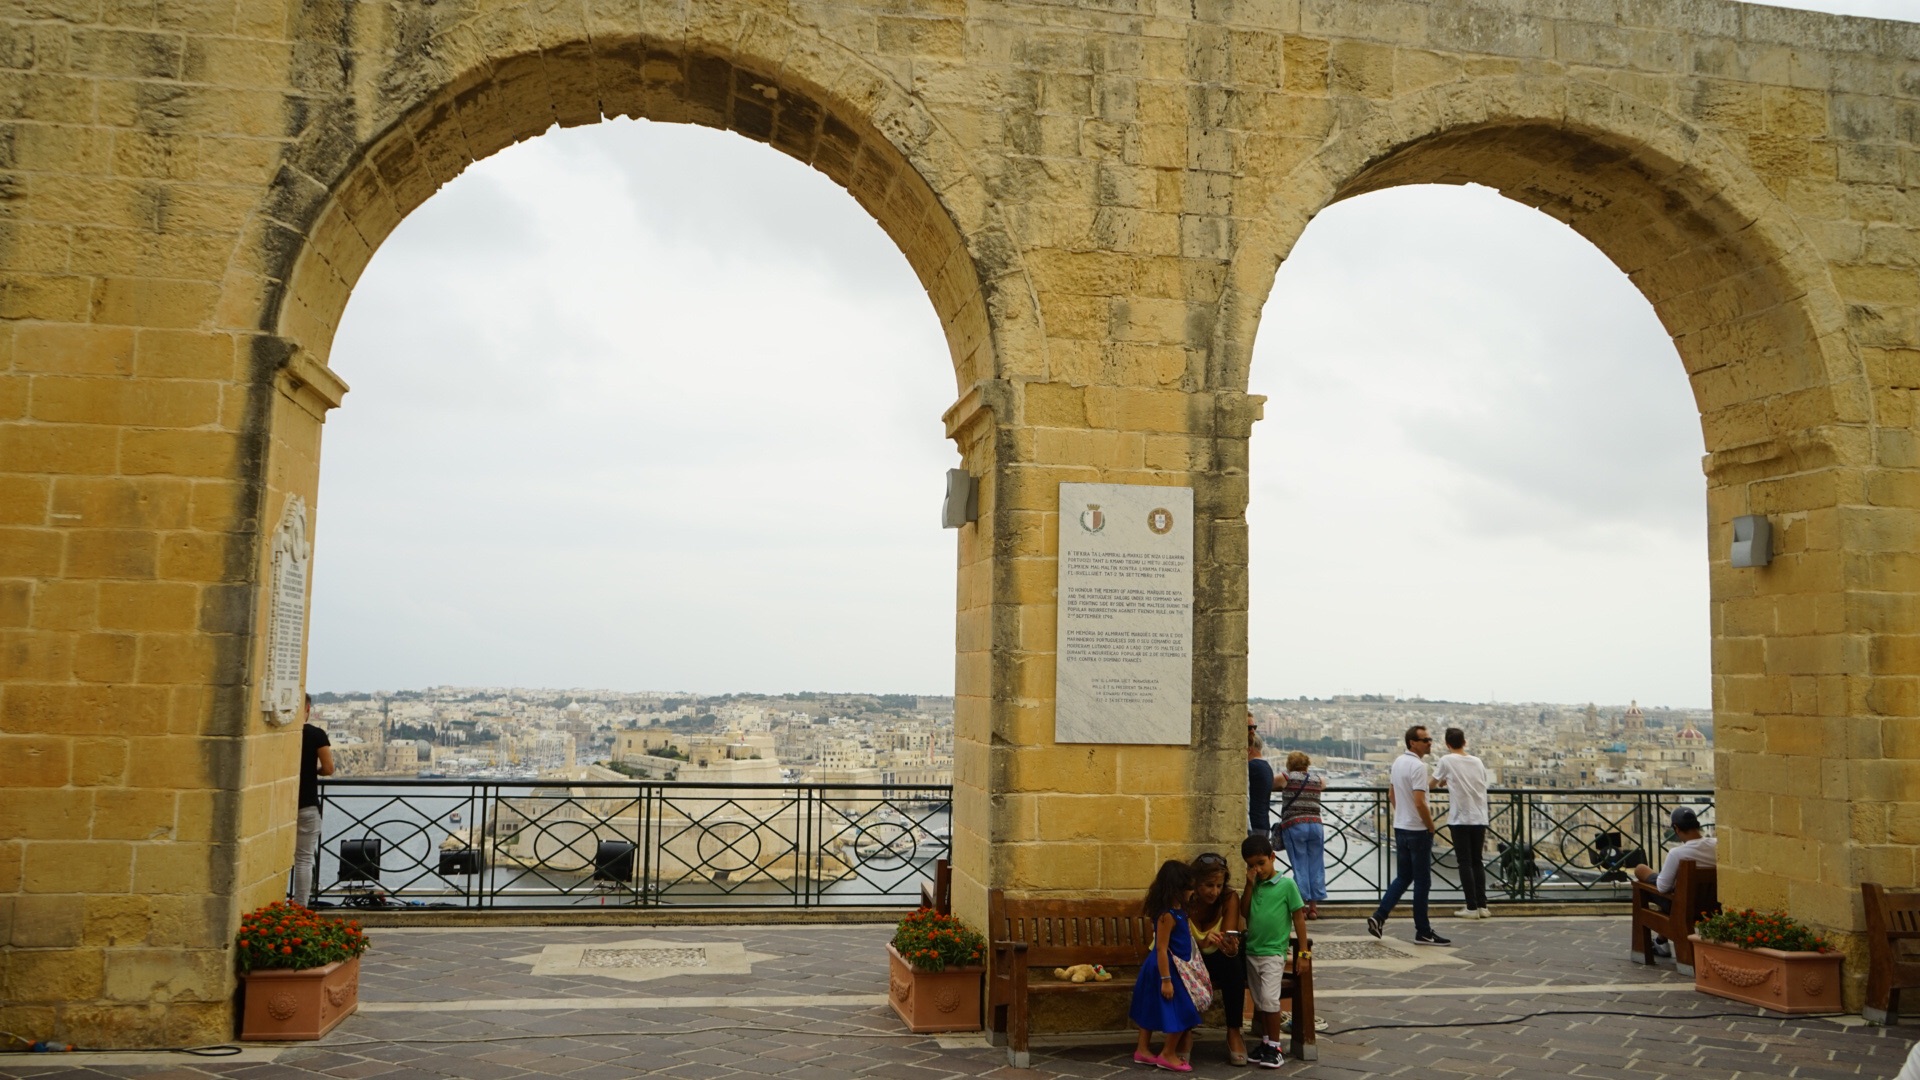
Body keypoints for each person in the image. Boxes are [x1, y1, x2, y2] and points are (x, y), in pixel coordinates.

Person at [1368, 725, 1451, 946]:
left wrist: (1401, 813)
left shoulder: (1398, 763)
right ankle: (1423, 931)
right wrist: (1430, 825)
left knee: (1403, 877)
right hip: (1417, 830)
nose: (1429, 743)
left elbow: (1391, 794)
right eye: (1425, 740)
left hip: (1400, 827)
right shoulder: (1418, 766)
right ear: (1412, 742)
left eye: (1430, 739)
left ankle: (1379, 917)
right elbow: (1419, 801)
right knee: (1422, 881)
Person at [1240, 833, 1308, 1070]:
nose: (1257, 869)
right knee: (1260, 1001)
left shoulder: (1287, 885)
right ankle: (1267, 1042)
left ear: (1272, 857)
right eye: (1251, 865)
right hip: (1252, 951)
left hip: (1273, 952)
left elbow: (1299, 918)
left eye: (1261, 863)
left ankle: (1276, 1047)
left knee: (1270, 999)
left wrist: (1303, 953)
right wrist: (1249, 885)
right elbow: (1245, 912)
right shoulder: (1254, 885)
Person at [1129, 859, 1202, 1071]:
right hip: (1167, 969)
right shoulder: (1167, 915)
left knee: (1151, 1007)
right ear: (1176, 889)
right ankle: (1168, 1053)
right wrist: (1166, 980)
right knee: (1185, 1010)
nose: (1192, 891)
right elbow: (1161, 948)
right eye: (1189, 887)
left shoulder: (1179, 912)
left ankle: (1142, 1050)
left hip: (1173, 968)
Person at [1187, 852, 1248, 1065]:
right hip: (1190, 960)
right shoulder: (1185, 899)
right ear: (1195, 883)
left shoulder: (1229, 898)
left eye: (1219, 885)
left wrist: (1230, 945)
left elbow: (1228, 936)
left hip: (1217, 959)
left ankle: (1234, 1032)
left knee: (1233, 966)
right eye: (1209, 885)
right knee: (1182, 970)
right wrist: (1202, 943)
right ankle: (1185, 1034)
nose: (1215, 891)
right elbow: (1178, 942)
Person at [1433, 727, 1491, 919]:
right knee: (1477, 862)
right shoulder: (1477, 761)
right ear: (1464, 742)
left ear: (1447, 744)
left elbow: (1431, 784)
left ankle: (1471, 907)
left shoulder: (1446, 760)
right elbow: (1479, 782)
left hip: (1460, 818)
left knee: (1464, 862)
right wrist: (1448, 781)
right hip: (1480, 816)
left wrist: (1444, 781)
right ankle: (1483, 906)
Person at [291, 695, 334, 908]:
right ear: (307, 708)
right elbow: (328, 769)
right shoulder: (316, 735)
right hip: (307, 804)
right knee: (304, 860)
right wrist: (311, 771)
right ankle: (300, 908)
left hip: (281, 807)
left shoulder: (281, 736)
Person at [1275, 751, 1327, 919]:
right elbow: (1324, 785)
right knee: (1316, 865)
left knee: (1300, 866)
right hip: (1316, 825)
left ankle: (1301, 907)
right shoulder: (1317, 779)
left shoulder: (1286, 777)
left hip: (1295, 825)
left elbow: (1270, 783)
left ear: (1290, 764)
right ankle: (1314, 908)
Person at [1247, 720, 1274, 837]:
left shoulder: (1252, 766)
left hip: (1253, 824)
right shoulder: (1267, 767)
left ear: (1249, 749)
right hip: (1263, 823)